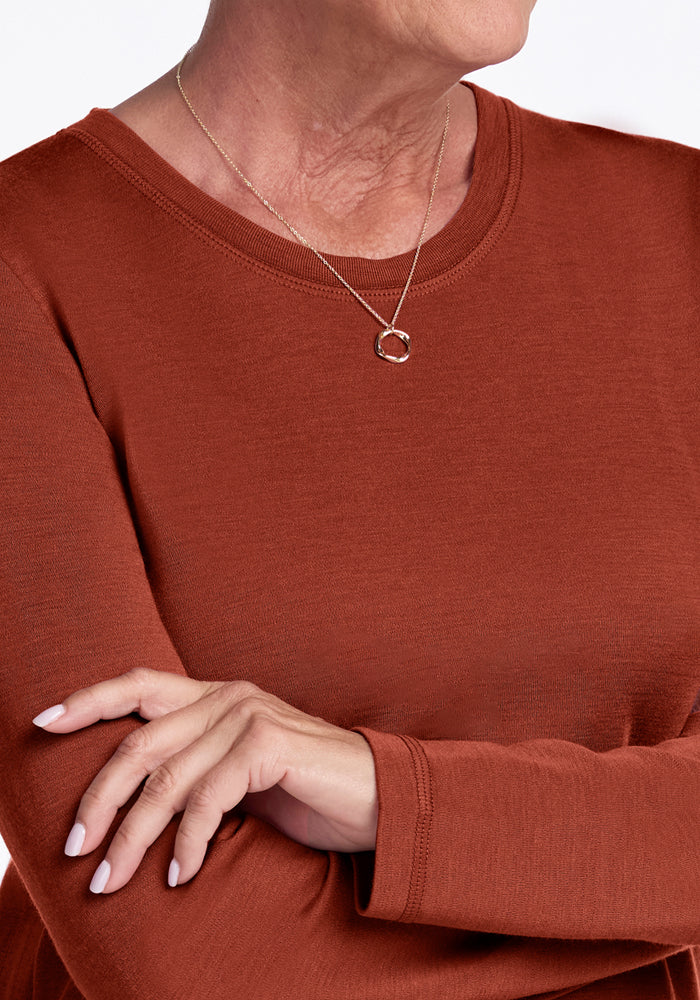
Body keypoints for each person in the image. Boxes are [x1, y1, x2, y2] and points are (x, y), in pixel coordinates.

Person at [0, 0, 698, 997]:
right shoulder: (24, 270)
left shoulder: (675, 222)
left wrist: (383, 797)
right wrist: (633, 874)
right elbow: (186, 961)